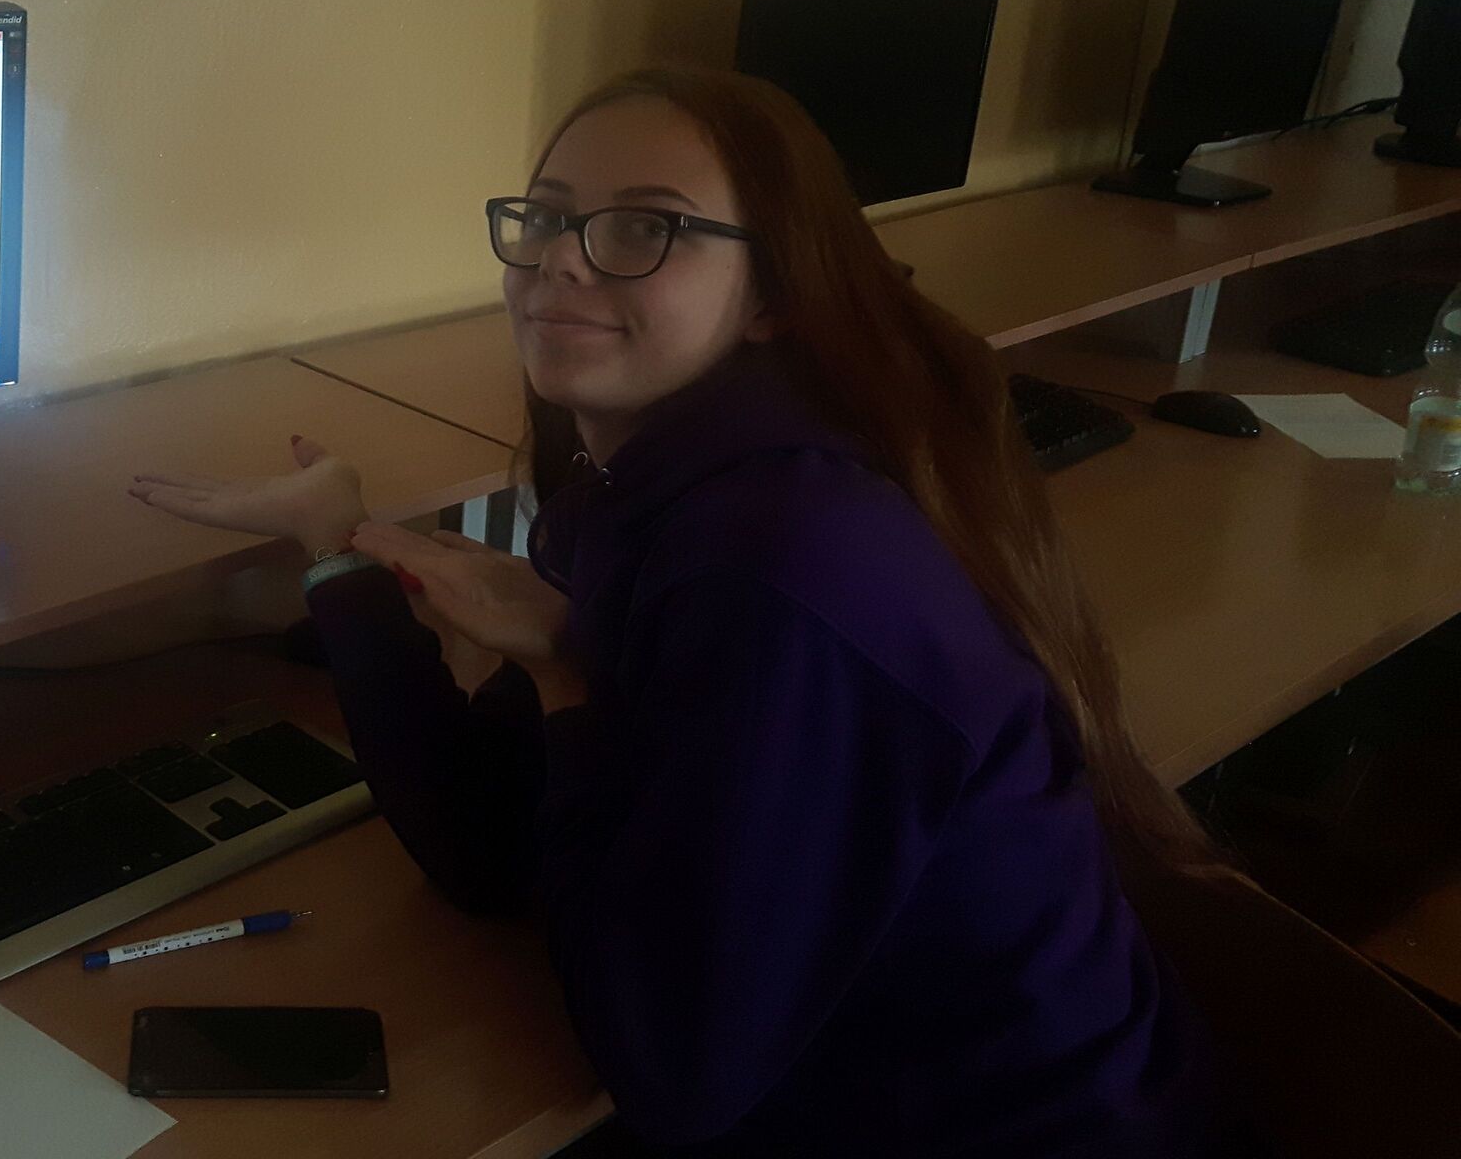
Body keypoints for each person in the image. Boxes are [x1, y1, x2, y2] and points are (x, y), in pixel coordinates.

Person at [129, 68, 1253, 1155]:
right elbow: (486, 846)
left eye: (645, 228)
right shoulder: (650, 495)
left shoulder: (780, 570)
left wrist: (566, 679)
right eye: (546, 218)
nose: (559, 260)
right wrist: (337, 547)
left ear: (772, 295)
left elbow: (676, 1077)